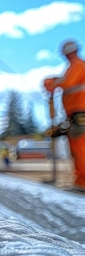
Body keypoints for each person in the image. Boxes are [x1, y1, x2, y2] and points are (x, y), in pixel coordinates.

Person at [44, 39, 85, 190]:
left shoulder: (78, 65)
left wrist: (51, 82)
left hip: (80, 112)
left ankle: (83, 182)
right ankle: (80, 180)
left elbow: (67, 83)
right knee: (77, 147)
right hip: (74, 113)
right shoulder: (73, 67)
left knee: (80, 147)